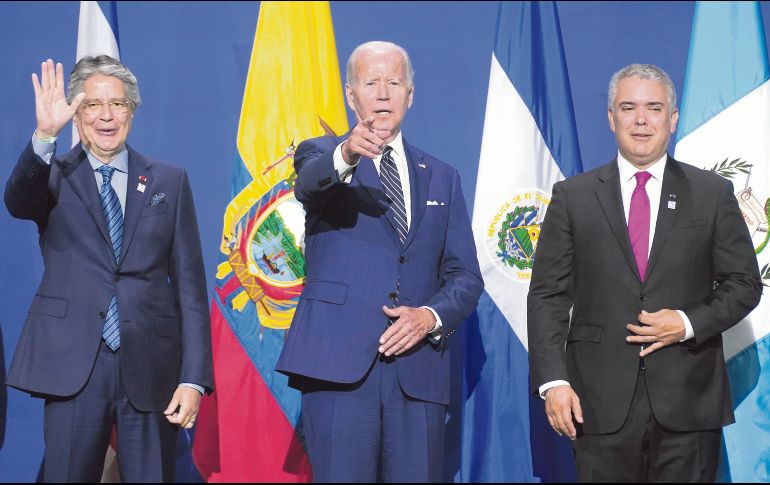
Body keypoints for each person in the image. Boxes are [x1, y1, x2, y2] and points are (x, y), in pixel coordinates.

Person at [527, 63, 763, 482]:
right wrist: (553, 383)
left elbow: (744, 284)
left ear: (672, 119)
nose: (641, 120)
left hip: (688, 402)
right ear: (611, 117)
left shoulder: (711, 194)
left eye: (654, 108)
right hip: (596, 403)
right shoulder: (573, 197)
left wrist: (688, 322)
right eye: (628, 107)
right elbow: (547, 297)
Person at [276, 41, 483, 482]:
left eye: (395, 82)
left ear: (411, 94)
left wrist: (429, 316)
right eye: (372, 83)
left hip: (418, 373)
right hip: (338, 370)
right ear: (352, 95)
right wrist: (348, 153)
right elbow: (310, 186)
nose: (384, 93)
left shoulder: (442, 176)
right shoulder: (321, 153)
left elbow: (464, 275)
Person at [4, 56, 212, 482]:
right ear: (77, 115)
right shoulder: (53, 175)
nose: (106, 115)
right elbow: (17, 201)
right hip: (74, 365)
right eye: (93, 105)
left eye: (117, 104)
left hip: (151, 366)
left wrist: (194, 379)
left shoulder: (167, 181)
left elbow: (190, 287)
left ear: (132, 110)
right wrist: (45, 135)